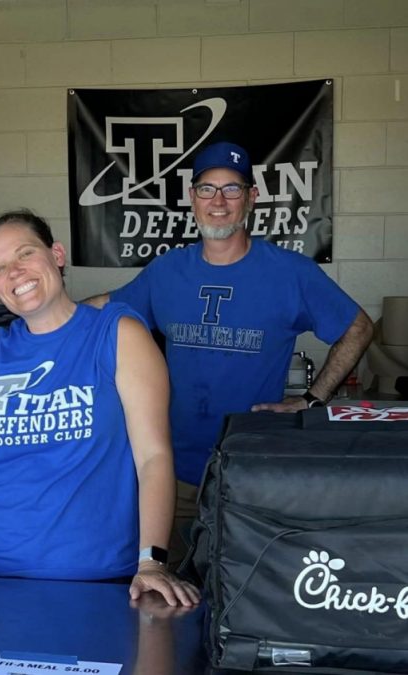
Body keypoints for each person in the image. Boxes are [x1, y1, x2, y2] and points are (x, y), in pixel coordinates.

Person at [85, 141, 373, 565]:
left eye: (232, 189)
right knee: (170, 590)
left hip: (248, 471)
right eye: (207, 189)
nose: (218, 202)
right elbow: (105, 309)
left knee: (243, 594)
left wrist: (314, 398)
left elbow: (358, 327)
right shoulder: (167, 271)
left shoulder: (290, 273)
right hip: (170, 471)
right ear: (192, 198)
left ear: (252, 197)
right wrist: (48, 315)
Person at [0, 211, 199, 607]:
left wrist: (152, 561)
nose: (15, 272)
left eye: (25, 253)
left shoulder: (116, 333)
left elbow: (154, 458)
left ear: (56, 254)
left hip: (102, 580)